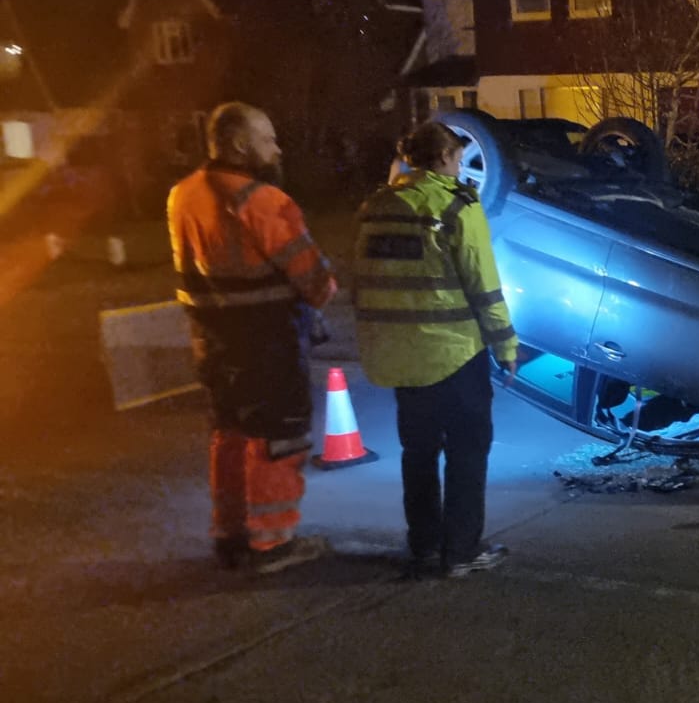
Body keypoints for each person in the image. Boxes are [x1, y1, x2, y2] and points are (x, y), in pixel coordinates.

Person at [167, 102, 338, 574]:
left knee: (230, 436)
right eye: (268, 138)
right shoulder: (263, 202)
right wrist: (322, 288)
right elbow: (315, 281)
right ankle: (272, 543)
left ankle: (230, 534)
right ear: (242, 145)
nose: (277, 147)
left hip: (212, 340)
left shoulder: (182, 195)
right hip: (266, 341)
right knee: (276, 439)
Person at [352, 122, 519, 578]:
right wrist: (505, 345)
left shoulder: (376, 207)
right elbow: (484, 285)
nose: (462, 167)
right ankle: (462, 551)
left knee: (418, 453)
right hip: (453, 354)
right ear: (445, 158)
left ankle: (424, 546)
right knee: (467, 451)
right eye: (459, 159)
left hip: (399, 356)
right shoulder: (456, 206)